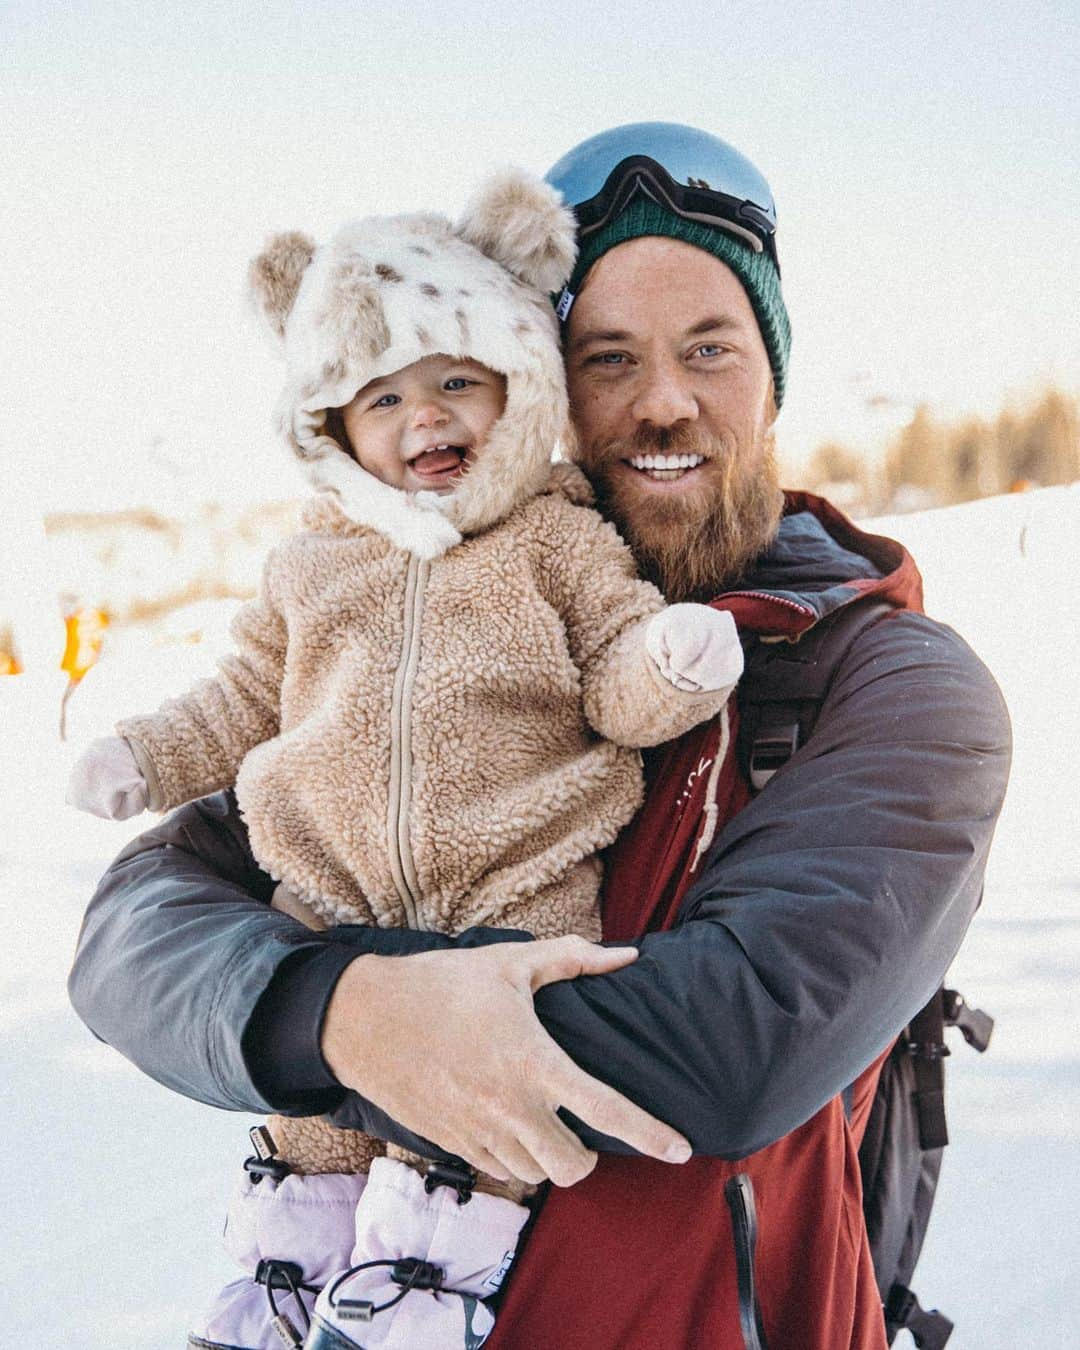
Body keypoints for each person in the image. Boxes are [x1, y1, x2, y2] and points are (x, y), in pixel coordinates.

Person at [68, 122, 1012, 1350]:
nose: (663, 401)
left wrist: (327, 1008)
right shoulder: (440, 635)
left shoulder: (898, 686)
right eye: (608, 357)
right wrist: (350, 1012)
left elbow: (731, 1048)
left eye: (711, 350)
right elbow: (133, 933)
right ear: (541, 386)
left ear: (773, 376)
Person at [65, 168, 744, 1349]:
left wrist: (671, 667)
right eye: (380, 400)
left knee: (459, 1156)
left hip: (506, 921)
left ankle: (417, 1303)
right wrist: (147, 751)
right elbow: (243, 699)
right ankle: (278, 1293)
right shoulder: (311, 568)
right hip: (328, 915)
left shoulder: (558, 540)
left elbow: (615, 673)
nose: (424, 419)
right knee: (313, 1171)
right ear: (330, 429)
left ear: (517, 382)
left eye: (455, 382)